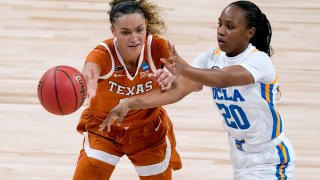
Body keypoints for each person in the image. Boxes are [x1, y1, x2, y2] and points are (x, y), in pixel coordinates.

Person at [100, 1, 296, 179]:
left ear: (249, 32)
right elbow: (176, 91)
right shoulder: (210, 58)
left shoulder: (259, 61)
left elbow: (222, 79)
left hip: (269, 157)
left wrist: (184, 69)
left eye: (230, 27)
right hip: (239, 156)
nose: (221, 31)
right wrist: (129, 103)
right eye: (220, 24)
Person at [72, 0, 183, 179]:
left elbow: (193, 81)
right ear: (113, 31)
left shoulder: (157, 47)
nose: (134, 38)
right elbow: (91, 68)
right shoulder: (103, 53)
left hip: (148, 133)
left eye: (139, 30)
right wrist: (87, 79)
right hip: (105, 128)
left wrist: (175, 78)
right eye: (125, 32)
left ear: (146, 26)